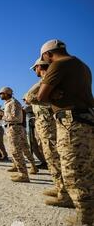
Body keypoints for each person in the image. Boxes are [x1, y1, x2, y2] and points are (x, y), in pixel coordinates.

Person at [37, 39, 94, 226]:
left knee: (75, 172)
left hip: (72, 124)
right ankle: (85, 216)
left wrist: (50, 92)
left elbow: (42, 96)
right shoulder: (82, 65)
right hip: (84, 120)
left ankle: (87, 225)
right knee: (84, 170)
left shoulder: (59, 64)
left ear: (47, 55)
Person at [25, 59, 72, 208]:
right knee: (50, 156)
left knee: (54, 155)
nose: (35, 71)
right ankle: (60, 188)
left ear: (40, 66)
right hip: (43, 123)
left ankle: (65, 194)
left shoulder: (49, 81)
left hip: (49, 124)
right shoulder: (44, 82)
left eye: (35, 69)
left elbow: (31, 97)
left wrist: (30, 97)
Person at [0, 87, 37, 183]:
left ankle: (23, 175)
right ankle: (31, 167)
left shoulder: (13, 103)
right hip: (14, 128)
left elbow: (14, 117)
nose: (0, 95)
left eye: (1, 93)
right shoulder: (8, 103)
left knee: (16, 151)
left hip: (14, 128)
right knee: (24, 149)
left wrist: (2, 116)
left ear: (7, 94)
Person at [24, 103, 47, 168]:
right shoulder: (30, 107)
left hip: (38, 127)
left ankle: (46, 162)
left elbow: (24, 110)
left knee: (40, 146)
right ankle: (43, 161)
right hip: (31, 128)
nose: (24, 101)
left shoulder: (33, 106)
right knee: (33, 146)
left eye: (25, 99)